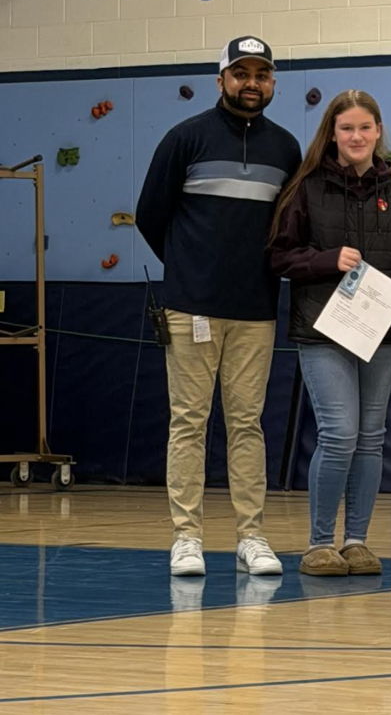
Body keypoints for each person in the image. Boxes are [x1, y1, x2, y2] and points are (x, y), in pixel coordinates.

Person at [136, 36, 301, 577]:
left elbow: (286, 230)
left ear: (272, 82)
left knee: (248, 424)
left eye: (262, 74)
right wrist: (190, 269)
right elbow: (149, 216)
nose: (251, 83)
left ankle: (251, 536)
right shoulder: (185, 138)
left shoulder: (286, 148)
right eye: (240, 73)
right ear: (221, 80)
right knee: (188, 422)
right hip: (191, 310)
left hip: (257, 309)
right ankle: (186, 537)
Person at [268, 90, 391, 577]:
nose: (356, 136)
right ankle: (319, 543)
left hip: (384, 334)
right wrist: (325, 260)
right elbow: (277, 257)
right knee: (339, 433)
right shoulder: (306, 188)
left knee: (371, 438)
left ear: (379, 131)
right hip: (323, 331)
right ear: (332, 134)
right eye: (346, 128)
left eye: (365, 127)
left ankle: (357, 540)